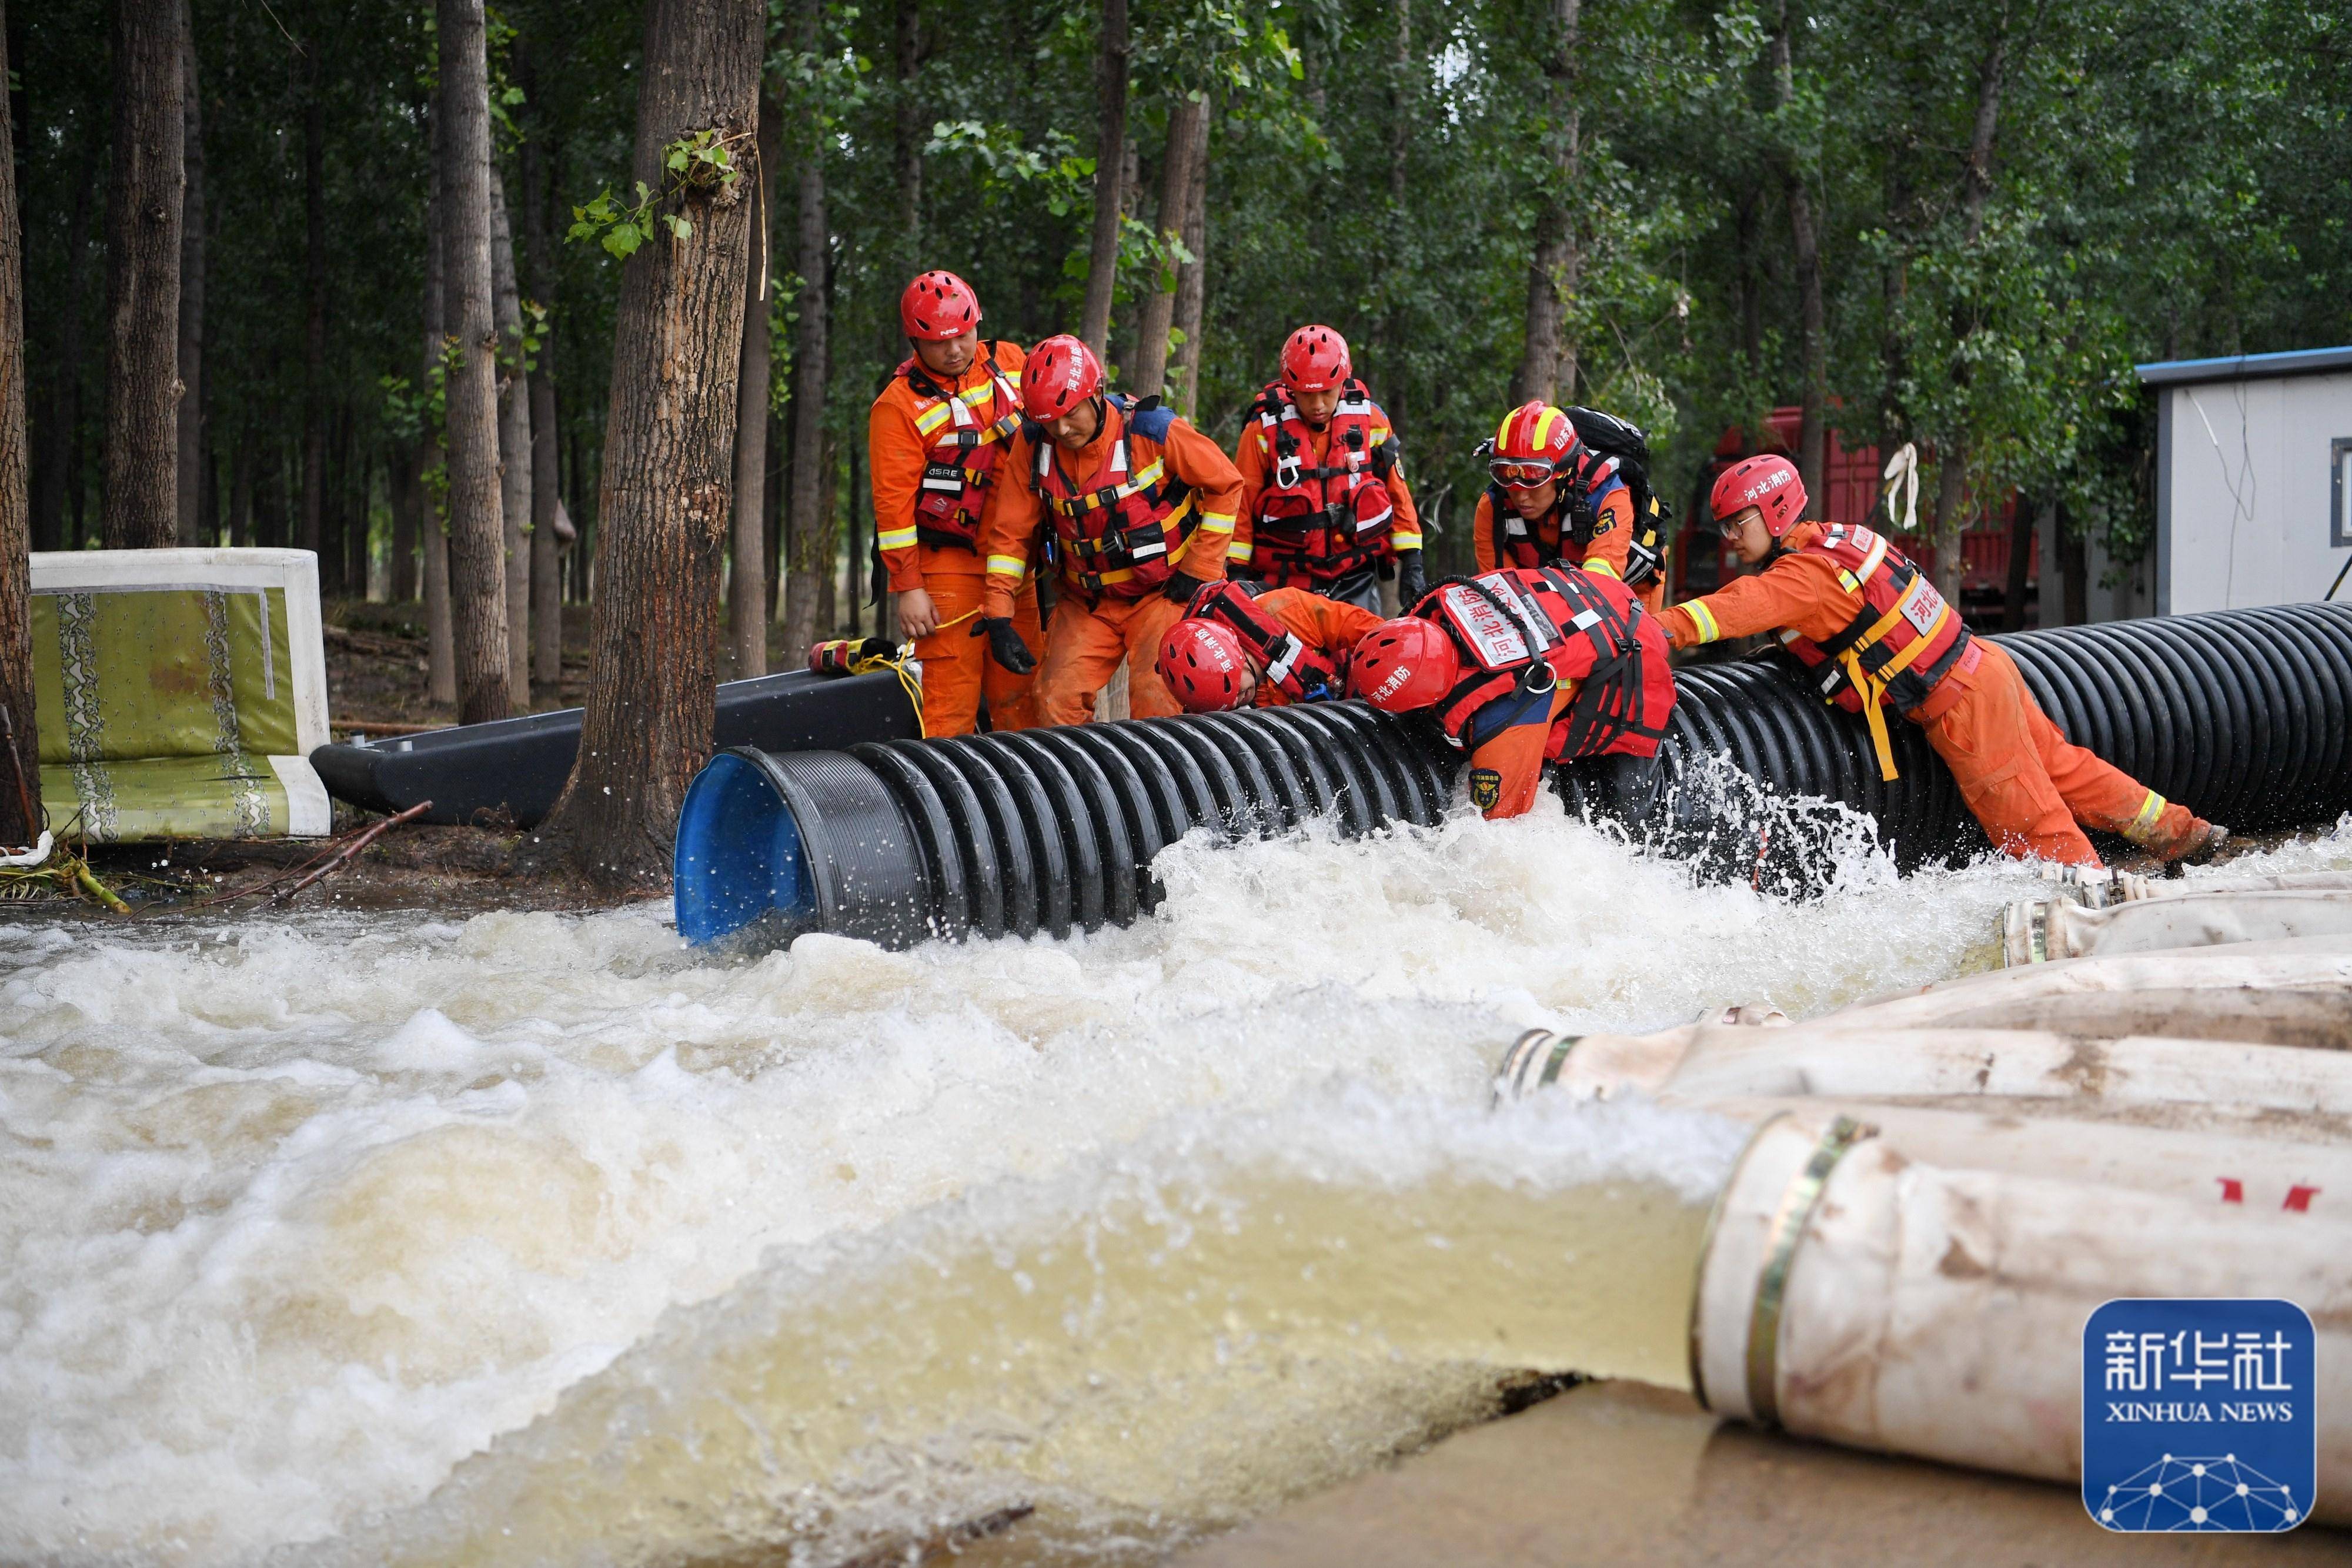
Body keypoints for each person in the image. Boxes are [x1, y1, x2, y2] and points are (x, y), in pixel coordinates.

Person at [1663, 453, 2226, 867]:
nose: (1730, 536)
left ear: (1776, 510)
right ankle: (2189, 835)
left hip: (1959, 707)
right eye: (1725, 525)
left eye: (1739, 521)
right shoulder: (1839, 541)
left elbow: (1725, 611)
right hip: (1986, 667)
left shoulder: (1803, 577)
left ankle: (2094, 923)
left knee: (2034, 827)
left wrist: (1640, 631)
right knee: (2068, 772)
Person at [974, 335, 1246, 724]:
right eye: (1049, 421)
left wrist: (1200, 571)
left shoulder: (1150, 430)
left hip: (1163, 594)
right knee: (1054, 700)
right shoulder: (1033, 446)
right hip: (1087, 603)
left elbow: (1227, 484)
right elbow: (1010, 536)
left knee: (1161, 700)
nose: (1063, 429)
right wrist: (999, 615)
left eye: (1070, 414)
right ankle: (1082, 786)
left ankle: (1162, 785)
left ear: (1097, 393)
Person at [1348, 565, 1676, 820]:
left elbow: (1504, 830)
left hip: (1636, 653)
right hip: (1600, 593)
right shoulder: (1433, 610)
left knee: (1629, 815)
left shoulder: (1502, 724)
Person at [866, 270, 1040, 735]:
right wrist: (909, 586)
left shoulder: (1011, 362)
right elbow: (893, 507)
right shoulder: (897, 407)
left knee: (1024, 697)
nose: (956, 349)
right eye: (941, 342)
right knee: (950, 707)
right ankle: (955, 806)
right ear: (914, 342)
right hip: (949, 569)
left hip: (1018, 565)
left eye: (963, 334)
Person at [1229, 325, 1425, 612]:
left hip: (1355, 577)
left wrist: (1413, 560)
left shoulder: (1372, 421)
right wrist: (1236, 571)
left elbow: (1398, 494)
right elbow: (1241, 506)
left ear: (1343, 383)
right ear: (1290, 389)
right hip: (1283, 582)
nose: (1317, 405)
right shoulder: (1262, 431)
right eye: (1307, 395)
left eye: (1327, 392)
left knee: (1361, 653)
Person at [1472, 401, 1668, 611]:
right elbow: (1501, 592)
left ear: (1563, 473)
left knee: (1636, 641)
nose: (1521, 495)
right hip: (1552, 589)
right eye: (1506, 475)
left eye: (1533, 479)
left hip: (1631, 587)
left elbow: (1601, 584)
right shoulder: (1492, 508)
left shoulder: (1608, 495)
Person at [1155, 580, 1385, 712]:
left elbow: (1372, 631)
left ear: (1237, 656)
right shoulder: (1233, 701)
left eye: (1234, 690)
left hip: (1365, 690)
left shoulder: (1287, 610)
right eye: (1227, 703)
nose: (1236, 702)